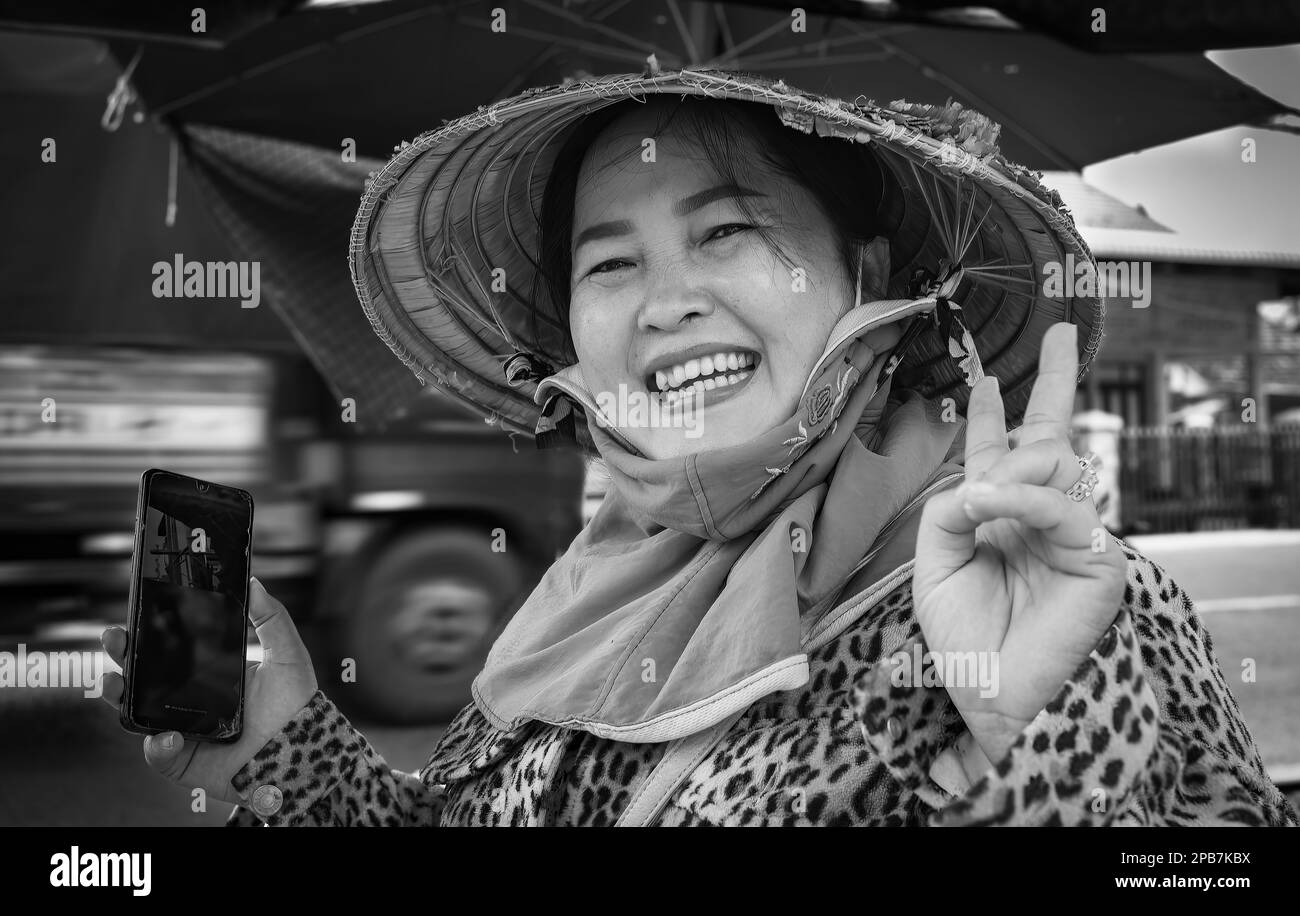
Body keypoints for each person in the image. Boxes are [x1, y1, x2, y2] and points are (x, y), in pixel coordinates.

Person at [100, 65, 1296, 826]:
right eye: (610, 262)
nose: (664, 303)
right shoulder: (589, 588)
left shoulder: (1070, 599)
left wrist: (1030, 730)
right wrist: (294, 747)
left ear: (867, 276)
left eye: (725, 232)